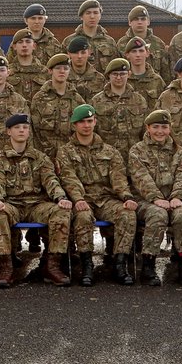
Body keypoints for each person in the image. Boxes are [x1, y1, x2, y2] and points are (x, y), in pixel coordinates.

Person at [57, 105, 139, 286]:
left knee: (127, 214)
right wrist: (78, 200)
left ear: (95, 122)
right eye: (81, 122)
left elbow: (118, 179)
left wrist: (126, 197)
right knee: (84, 217)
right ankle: (87, 264)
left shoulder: (110, 151)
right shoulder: (66, 151)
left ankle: (120, 264)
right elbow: (69, 179)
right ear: (74, 125)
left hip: (106, 199)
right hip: (83, 199)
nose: (86, 125)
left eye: (89, 121)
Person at [0, 113, 72, 287]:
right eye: (17, 128)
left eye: (25, 128)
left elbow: (50, 180)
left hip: (36, 204)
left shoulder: (39, 157)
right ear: (8, 131)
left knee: (61, 213)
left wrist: (60, 197)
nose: (21, 131)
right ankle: (6, 268)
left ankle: (51, 265)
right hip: (12, 204)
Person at [127, 110, 182, 286]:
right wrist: (156, 198)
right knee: (157, 215)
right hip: (146, 200)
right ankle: (148, 267)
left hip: (175, 199)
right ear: (147, 128)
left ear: (170, 128)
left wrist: (178, 197)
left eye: (164, 127)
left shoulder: (178, 151)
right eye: (155, 127)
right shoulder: (137, 151)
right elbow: (140, 178)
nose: (160, 131)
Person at [90, 58, 149, 159]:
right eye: (115, 74)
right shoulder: (97, 101)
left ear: (129, 74)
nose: (118, 77)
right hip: (106, 157)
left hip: (135, 156)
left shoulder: (139, 100)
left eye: (122, 74)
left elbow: (146, 131)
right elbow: (92, 132)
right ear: (109, 75)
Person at [30, 54, 84, 157]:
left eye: (66, 68)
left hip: (72, 155)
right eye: (58, 68)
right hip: (45, 155)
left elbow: (82, 130)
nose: (62, 71)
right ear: (50, 71)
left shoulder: (77, 99)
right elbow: (34, 131)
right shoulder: (39, 99)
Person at [116, 6, 171, 79]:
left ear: (148, 22)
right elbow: (116, 69)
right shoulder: (121, 44)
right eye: (136, 19)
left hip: (154, 86)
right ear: (129, 22)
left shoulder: (158, 43)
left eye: (143, 19)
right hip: (129, 85)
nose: (139, 22)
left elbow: (165, 71)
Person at [71, 0, 119, 71]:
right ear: (81, 16)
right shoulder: (70, 41)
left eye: (96, 13)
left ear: (100, 16)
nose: (92, 16)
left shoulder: (110, 42)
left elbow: (115, 68)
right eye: (88, 13)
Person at [5, 28, 49, 102]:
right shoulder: (7, 72)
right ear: (14, 46)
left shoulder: (44, 72)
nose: (24, 45)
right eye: (20, 42)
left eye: (28, 42)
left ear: (34, 46)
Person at [123, 36, 165, 103]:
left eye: (141, 51)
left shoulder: (157, 81)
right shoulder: (123, 80)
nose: (138, 55)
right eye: (134, 51)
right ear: (127, 55)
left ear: (147, 53)